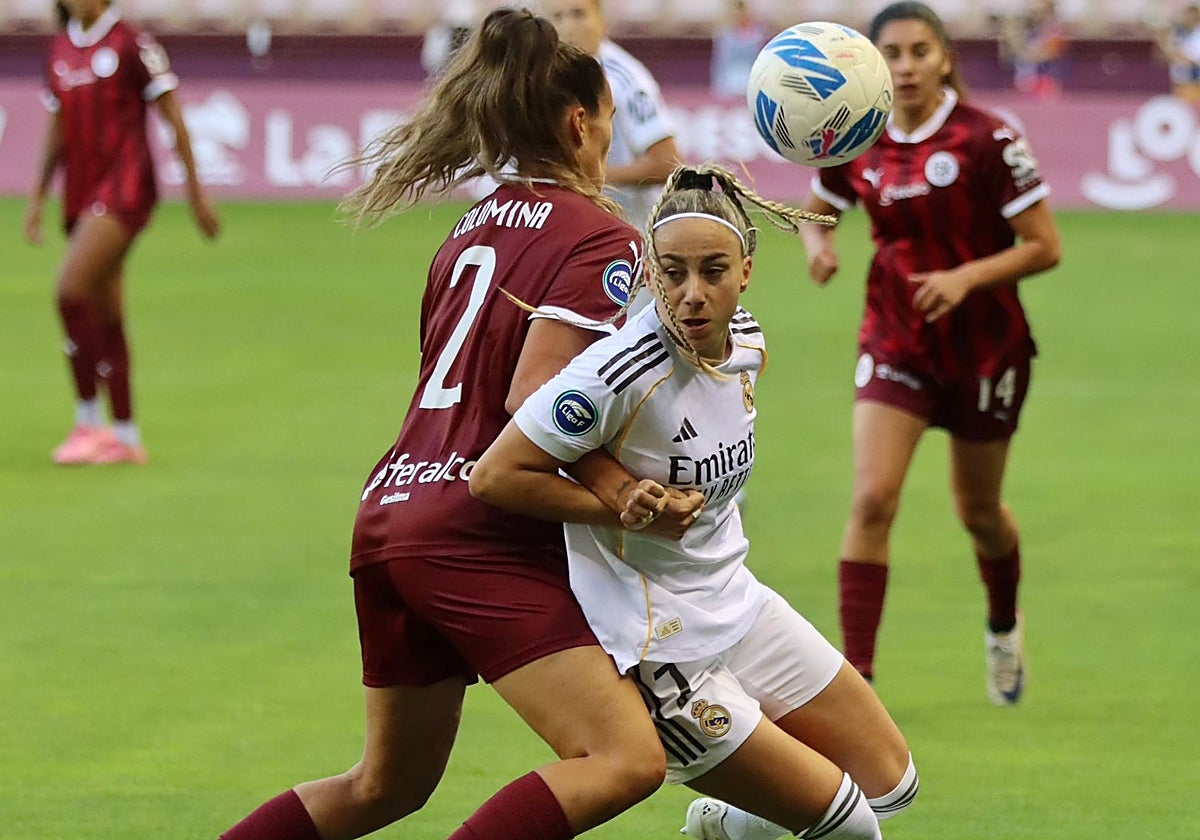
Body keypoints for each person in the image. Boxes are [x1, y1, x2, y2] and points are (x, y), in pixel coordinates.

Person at [217, 10, 707, 840]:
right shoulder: (603, 239)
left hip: (391, 511)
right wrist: (621, 493)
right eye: (608, 125)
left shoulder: (468, 228)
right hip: (472, 528)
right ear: (581, 122)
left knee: (385, 785)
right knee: (624, 758)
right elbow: (536, 395)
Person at [471, 163, 919, 840]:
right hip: (664, 650)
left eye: (713, 271)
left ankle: (725, 830)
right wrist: (616, 503)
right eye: (672, 273)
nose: (692, 294)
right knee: (852, 830)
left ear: (746, 272)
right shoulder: (618, 370)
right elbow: (494, 476)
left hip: (738, 604)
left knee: (890, 782)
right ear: (650, 276)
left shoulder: (748, 343)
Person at [799, 1, 1062, 706]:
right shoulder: (858, 129)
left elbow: (1046, 246)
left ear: (944, 57)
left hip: (985, 348)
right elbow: (821, 203)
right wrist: (818, 243)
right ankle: (858, 680)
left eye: (921, 51)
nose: (907, 66)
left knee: (978, 511)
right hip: (895, 338)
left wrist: (965, 277)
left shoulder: (988, 139)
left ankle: (1004, 624)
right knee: (873, 497)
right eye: (894, 53)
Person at [24, 0, 220, 465]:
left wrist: (195, 191)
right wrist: (37, 196)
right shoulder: (60, 47)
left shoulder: (132, 43)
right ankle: (127, 437)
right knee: (104, 311)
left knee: (70, 290)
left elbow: (172, 113)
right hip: (80, 192)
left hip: (125, 189)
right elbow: (55, 127)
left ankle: (89, 422)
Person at [543, 0, 682, 230]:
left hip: (626, 229)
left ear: (602, 21)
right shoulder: (548, 77)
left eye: (578, 14)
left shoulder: (623, 79)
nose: (567, 26)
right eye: (558, 17)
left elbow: (667, 162)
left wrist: (586, 175)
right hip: (577, 227)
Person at [997, 0, 1068, 99]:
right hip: (1026, 80)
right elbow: (1009, 55)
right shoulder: (1029, 30)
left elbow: (1050, 53)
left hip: (1045, 80)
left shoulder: (1055, 30)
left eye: (1040, 9)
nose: (1036, 11)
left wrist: (1031, 55)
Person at [710, 0, 770, 101]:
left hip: (752, 80)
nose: (739, 15)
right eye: (736, 12)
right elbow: (720, 62)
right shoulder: (725, 35)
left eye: (741, 11)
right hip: (729, 82)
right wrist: (718, 87)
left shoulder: (758, 34)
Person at [1153, 4, 1200, 102]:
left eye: (1191, 15)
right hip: (1178, 82)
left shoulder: (1197, 35)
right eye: (1186, 15)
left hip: (1194, 81)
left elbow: (1193, 60)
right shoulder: (1180, 33)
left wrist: (1179, 56)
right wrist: (1163, 43)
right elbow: (1163, 57)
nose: (1188, 18)